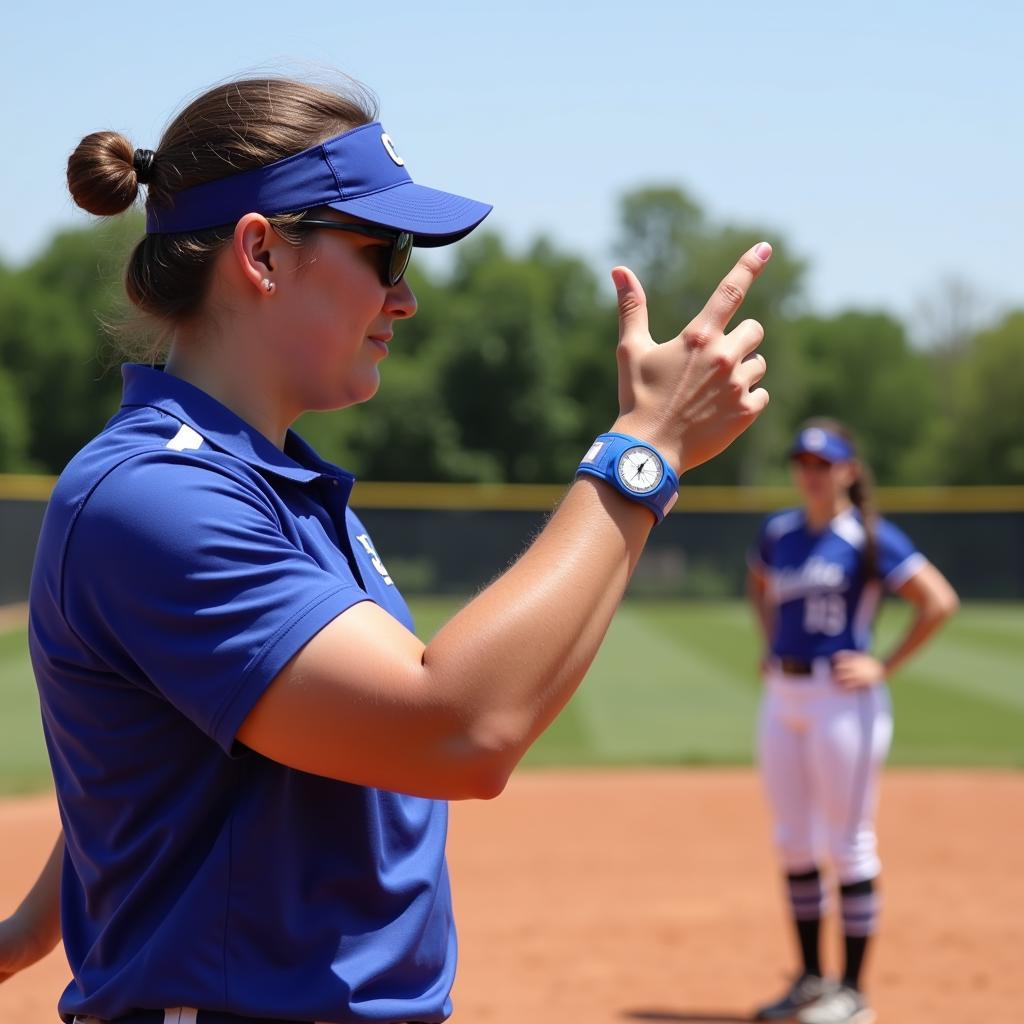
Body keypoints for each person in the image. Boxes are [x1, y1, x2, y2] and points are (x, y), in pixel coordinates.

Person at [0, 75, 773, 1024]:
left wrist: (30, 930)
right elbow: (459, 727)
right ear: (262, 252)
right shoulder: (155, 498)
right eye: (385, 251)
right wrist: (643, 452)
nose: (404, 298)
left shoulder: (272, 485)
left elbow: (164, 743)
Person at [747, 419, 959, 1024]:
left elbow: (938, 600)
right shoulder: (778, 533)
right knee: (793, 842)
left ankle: (855, 993)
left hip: (843, 700)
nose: (811, 473)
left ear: (849, 470)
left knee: (849, 843)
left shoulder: (868, 536)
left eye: (824, 462)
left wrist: (882, 663)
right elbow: (758, 584)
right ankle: (813, 980)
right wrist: (769, 641)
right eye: (803, 462)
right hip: (782, 696)